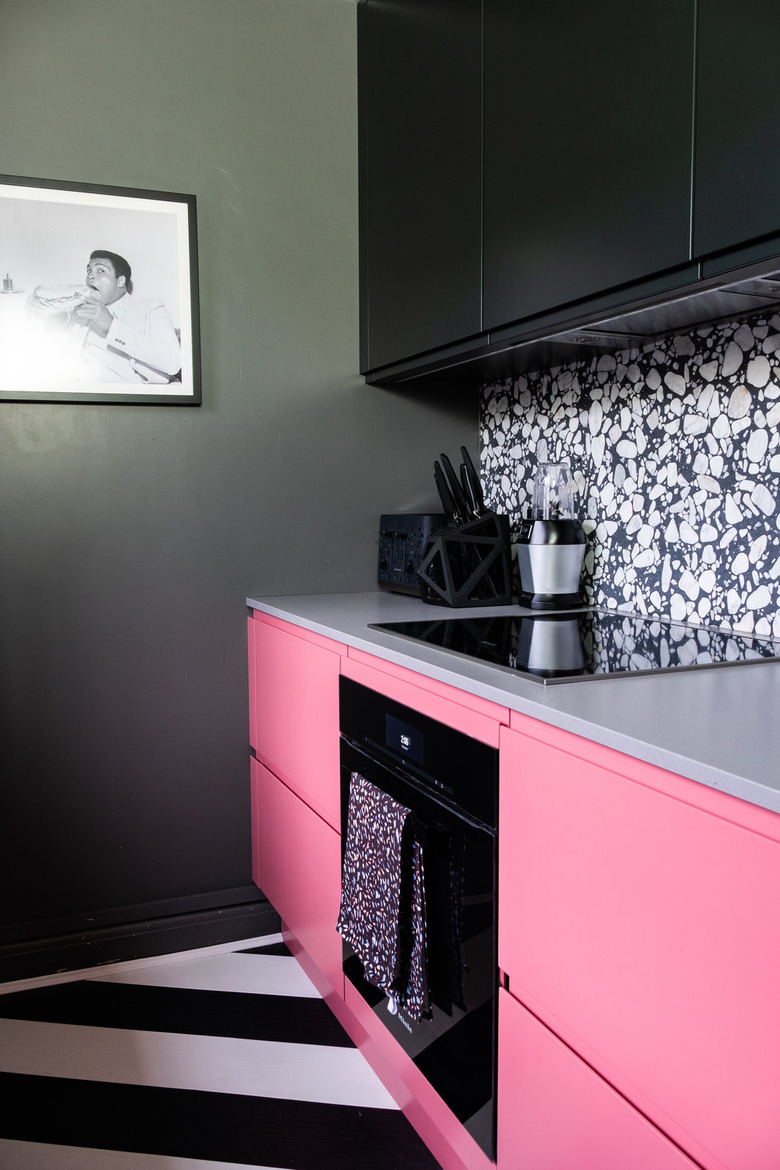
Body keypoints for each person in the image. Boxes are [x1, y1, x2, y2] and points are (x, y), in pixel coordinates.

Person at [70, 250, 181, 384]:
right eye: (89, 271)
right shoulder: (78, 311)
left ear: (120, 281)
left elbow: (172, 362)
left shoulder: (151, 308)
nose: (90, 276)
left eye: (100, 270)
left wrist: (111, 326)